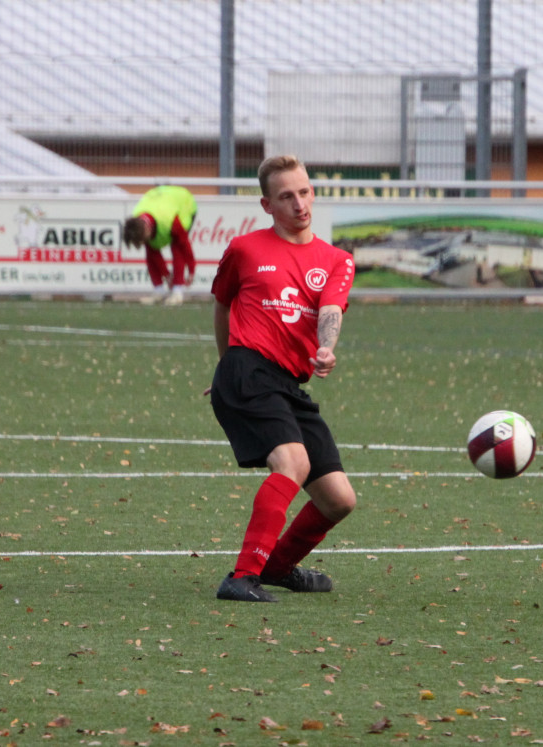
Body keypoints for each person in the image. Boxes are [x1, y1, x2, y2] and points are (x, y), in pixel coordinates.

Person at [209, 155, 357, 603]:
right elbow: (223, 304)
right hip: (248, 369)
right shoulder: (244, 249)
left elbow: (330, 309)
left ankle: (277, 566)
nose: (299, 204)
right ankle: (242, 576)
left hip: (289, 384)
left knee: (338, 499)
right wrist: (227, 366)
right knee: (293, 463)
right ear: (267, 205)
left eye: (304, 192)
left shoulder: (337, 260)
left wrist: (326, 347)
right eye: (287, 196)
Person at [123, 185, 197, 305]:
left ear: (147, 229)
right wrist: (167, 275)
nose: (143, 243)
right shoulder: (138, 221)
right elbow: (153, 254)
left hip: (184, 202)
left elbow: (185, 245)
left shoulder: (170, 222)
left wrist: (191, 269)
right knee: (150, 250)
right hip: (159, 198)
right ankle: (159, 290)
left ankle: (178, 292)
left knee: (176, 248)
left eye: (143, 240)